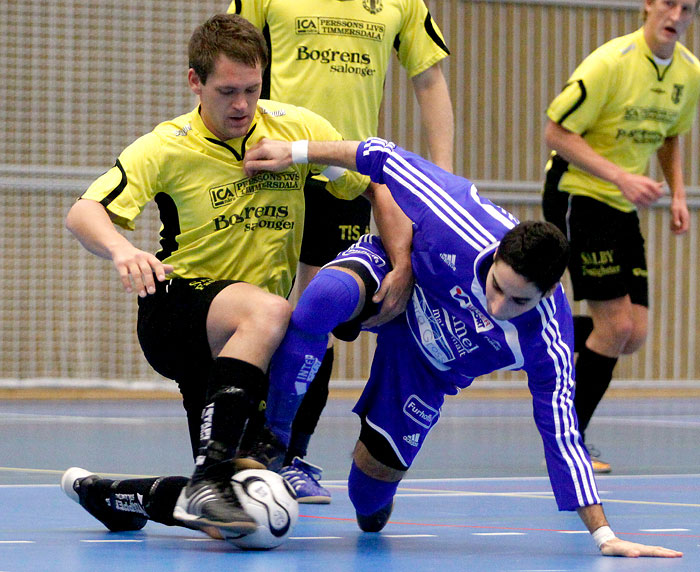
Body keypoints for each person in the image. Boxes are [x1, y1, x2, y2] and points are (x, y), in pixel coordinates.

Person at [240, 135, 684, 558]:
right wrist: (294, 152)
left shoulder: (548, 338)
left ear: (547, 294)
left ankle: (375, 490)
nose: (497, 305)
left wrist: (605, 535)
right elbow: (376, 152)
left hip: (427, 369)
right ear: (495, 256)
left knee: (367, 502)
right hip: (400, 282)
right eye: (496, 286)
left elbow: (562, 433)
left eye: (518, 301)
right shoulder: (455, 215)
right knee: (321, 299)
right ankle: (275, 441)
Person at [62, 14, 409, 539]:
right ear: (195, 82)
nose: (242, 105)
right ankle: (208, 474)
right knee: (272, 309)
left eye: (252, 89)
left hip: (249, 344)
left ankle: (112, 495)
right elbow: (83, 212)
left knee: (241, 523)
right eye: (227, 91)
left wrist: (402, 263)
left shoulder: (296, 130)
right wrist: (120, 249)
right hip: (177, 309)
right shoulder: (166, 144)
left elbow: (374, 186)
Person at [228, 0, 454, 503]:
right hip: (270, 163)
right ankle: (228, 449)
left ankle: (289, 456)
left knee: (316, 315)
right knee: (252, 310)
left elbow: (429, 80)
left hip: (341, 172)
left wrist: (441, 180)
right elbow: (231, 52)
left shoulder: (402, 4)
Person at [541, 0, 700, 473]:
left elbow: (670, 136)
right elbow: (555, 132)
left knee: (634, 334)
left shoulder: (688, 74)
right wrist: (621, 176)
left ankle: (545, 333)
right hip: (578, 194)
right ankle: (568, 439)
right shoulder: (610, 62)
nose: (676, 14)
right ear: (648, 6)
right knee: (615, 328)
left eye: (687, 8)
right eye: (668, 4)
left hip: (620, 203)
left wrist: (676, 192)